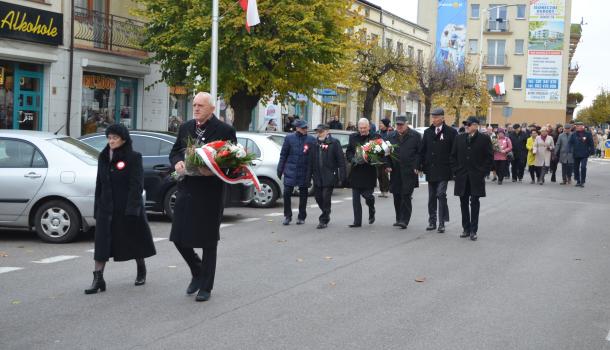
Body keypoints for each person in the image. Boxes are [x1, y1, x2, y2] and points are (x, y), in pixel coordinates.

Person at [169, 92, 236, 302]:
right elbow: (175, 151)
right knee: (178, 236)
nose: (196, 108)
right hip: (187, 189)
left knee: (208, 241)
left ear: (212, 109)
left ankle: (206, 286)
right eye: (194, 105)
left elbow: (232, 162)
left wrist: (215, 170)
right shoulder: (186, 127)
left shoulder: (225, 130)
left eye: (200, 106)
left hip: (210, 193)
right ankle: (197, 270)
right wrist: (177, 162)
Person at [86, 124, 156, 294]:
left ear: (123, 139)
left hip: (126, 208)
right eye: (109, 138)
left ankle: (141, 269)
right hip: (106, 208)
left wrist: (132, 209)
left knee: (133, 241)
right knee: (102, 244)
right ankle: (98, 279)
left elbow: (136, 186)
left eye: (115, 138)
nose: (111, 141)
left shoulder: (133, 157)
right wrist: (97, 207)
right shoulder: (103, 157)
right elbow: (99, 184)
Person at [450, 116, 493, 241]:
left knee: (474, 202)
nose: (467, 126)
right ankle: (466, 228)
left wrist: (483, 172)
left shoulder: (484, 139)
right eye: (466, 124)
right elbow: (453, 156)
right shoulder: (459, 138)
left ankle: (473, 230)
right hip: (462, 176)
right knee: (463, 202)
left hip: (476, 176)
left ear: (476, 125)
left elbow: (489, 157)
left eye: (469, 124)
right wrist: (456, 170)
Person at [419, 108, 457, 233]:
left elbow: (455, 151)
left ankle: (441, 223)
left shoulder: (451, 132)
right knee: (431, 197)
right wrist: (420, 166)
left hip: (444, 169)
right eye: (432, 117)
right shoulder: (428, 132)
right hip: (431, 169)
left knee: (441, 194)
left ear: (442, 118)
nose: (433, 120)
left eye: (436, 117)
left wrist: (454, 168)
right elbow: (422, 151)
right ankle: (432, 221)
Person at [385, 116, 421, 229]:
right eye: (397, 125)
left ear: (407, 124)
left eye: (401, 124)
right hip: (395, 170)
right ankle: (399, 218)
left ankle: (404, 220)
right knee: (396, 194)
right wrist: (388, 165)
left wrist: (417, 165)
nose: (399, 127)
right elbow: (386, 153)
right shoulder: (391, 136)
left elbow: (419, 153)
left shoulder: (415, 136)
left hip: (409, 170)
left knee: (406, 195)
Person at [308, 124, 346, 229]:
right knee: (318, 197)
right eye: (318, 131)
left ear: (327, 131)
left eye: (321, 131)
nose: (319, 133)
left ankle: (323, 219)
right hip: (317, 175)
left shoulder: (334, 142)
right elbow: (310, 161)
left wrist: (342, 176)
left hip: (329, 175)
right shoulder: (314, 143)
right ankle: (326, 212)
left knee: (325, 197)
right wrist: (308, 177)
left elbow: (340, 160)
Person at [277, 119, 316, 225]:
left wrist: (313, 172)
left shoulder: (311, 139)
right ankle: (287, 216)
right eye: (303, 128)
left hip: (304, 170)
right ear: (297, 128)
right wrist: (280, 169)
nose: (305, 130)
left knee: (303, 194)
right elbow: (283, 154)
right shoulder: (289, 138)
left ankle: (301, 216)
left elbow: (314, 157)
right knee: (287, 193)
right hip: (291, 169)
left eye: (306, 128)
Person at [345, 118, 380, 228]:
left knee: (367, 195)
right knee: (356, 198)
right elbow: (349, 151)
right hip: (356, 170)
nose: (362, 130)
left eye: (364, 128)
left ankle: (371, 208)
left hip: (369, 171)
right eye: (360, 128)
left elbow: (380, 152)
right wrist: (352, 159)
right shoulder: (353, 137)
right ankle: (357, 221)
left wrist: (370, 156)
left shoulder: (375, 137)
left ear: (369, 127)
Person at [569, 122, 595, 187]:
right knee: (576, 168)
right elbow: (570, 143)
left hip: (584, 153)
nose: (577, 127)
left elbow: (591, 143)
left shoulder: (588, 134)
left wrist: (592, 151)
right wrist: (570, 150)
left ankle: (582, 181)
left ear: (582, 126)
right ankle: (578, 181)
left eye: (578, 126)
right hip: (576, 153)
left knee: (583, 167)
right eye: (576, 126)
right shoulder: (573, 134)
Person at [376, 118, 393, 197]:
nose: (380, 125)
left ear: (385, 125)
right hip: (378, 156)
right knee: (379, 174)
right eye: (379, 123)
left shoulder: (390, 133)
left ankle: (386, 190)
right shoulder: (377, 133)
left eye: (381, 123)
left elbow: (391, 144)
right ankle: (381, 190)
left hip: (386, 156)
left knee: (384, 174)